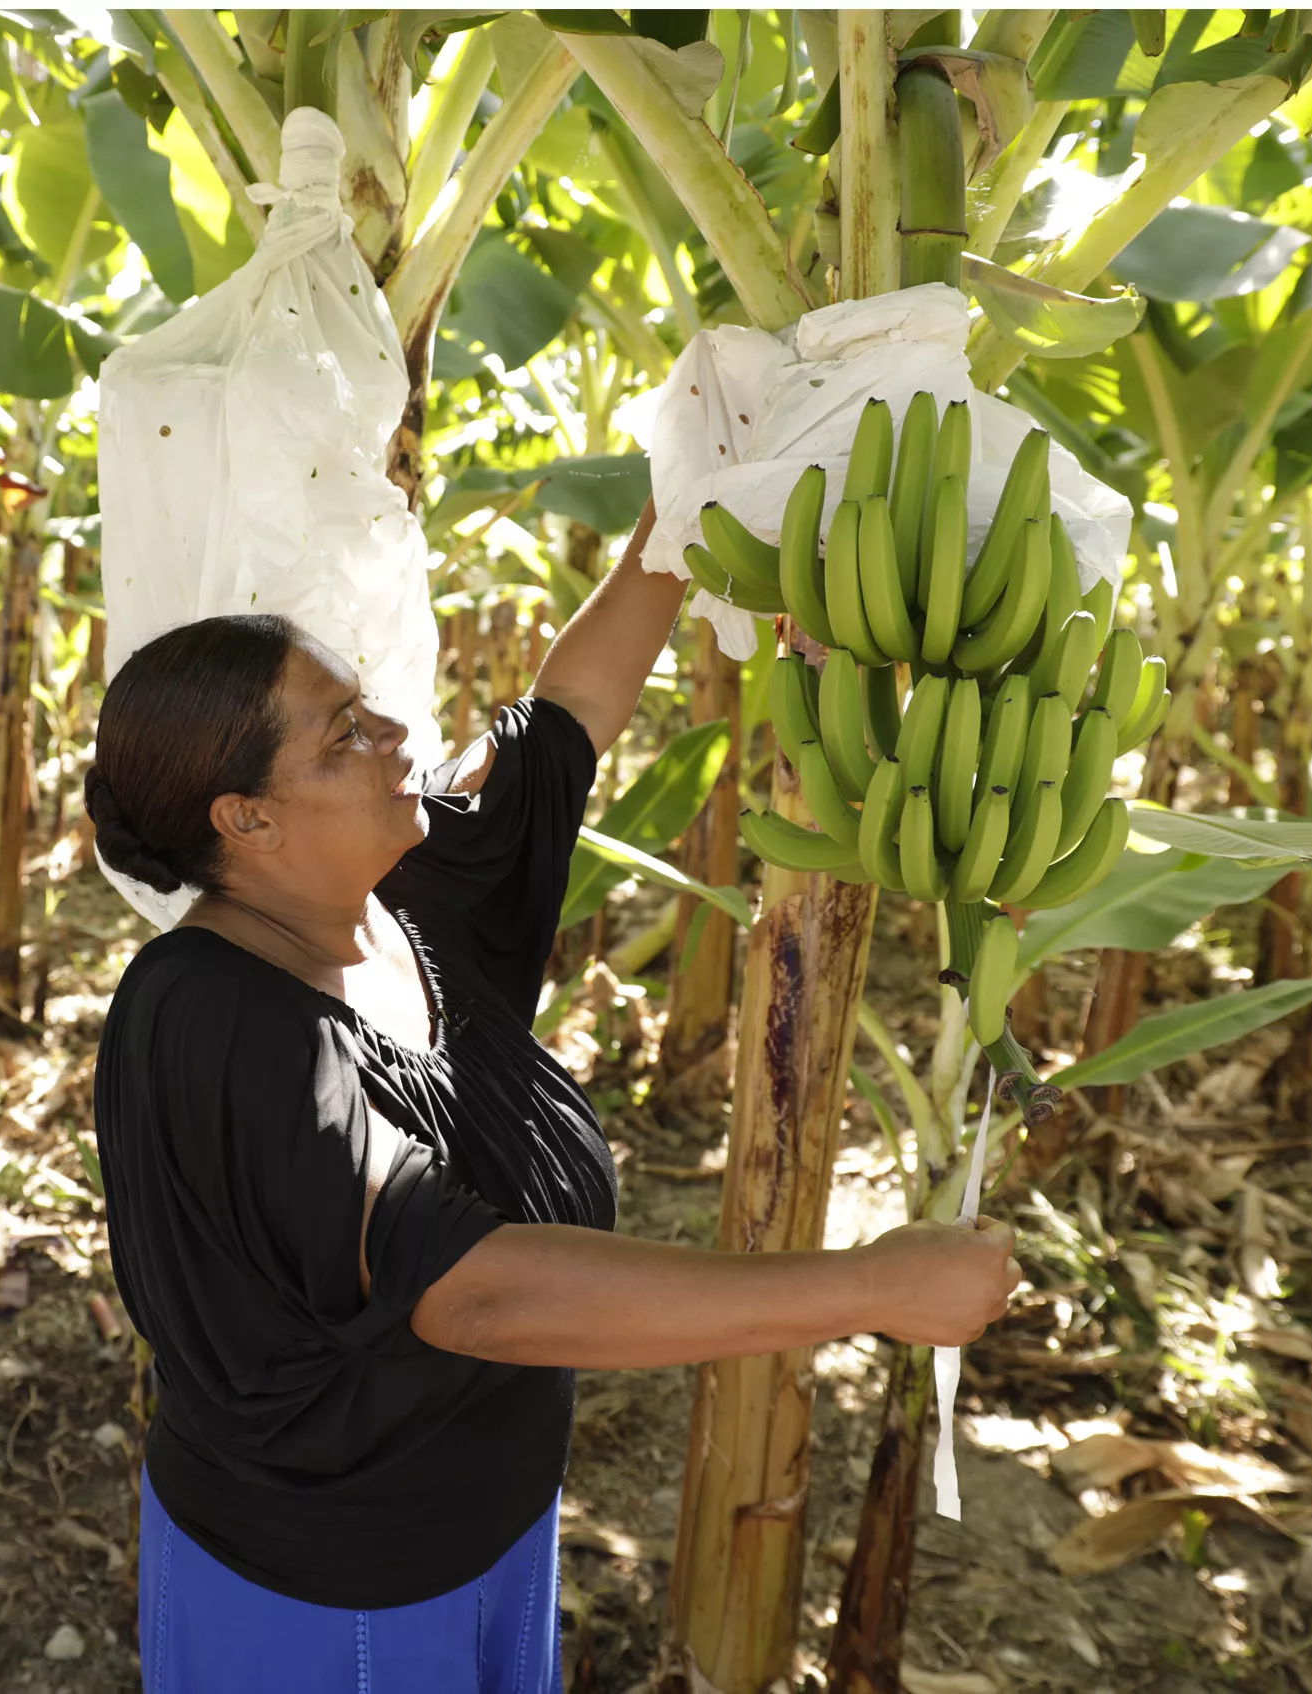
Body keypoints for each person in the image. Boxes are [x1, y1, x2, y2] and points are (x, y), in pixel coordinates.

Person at [86, 505, 1018, 1693]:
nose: (393, 733)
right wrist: (869, 1285)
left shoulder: (400, 902)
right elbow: (472, 1293)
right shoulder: (208, 1021)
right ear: (245, 820)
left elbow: (567, 708)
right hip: (325, 1598)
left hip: (495, 1535)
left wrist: (685, 510)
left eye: (364, 703)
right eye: (341, 737)